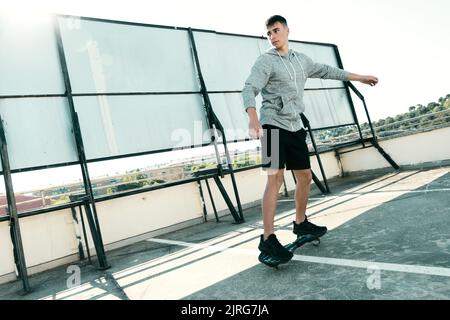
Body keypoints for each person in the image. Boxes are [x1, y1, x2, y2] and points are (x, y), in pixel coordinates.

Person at [242, 15, 378, 265]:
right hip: (271, 125)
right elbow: (249, 88)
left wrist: (360, 77)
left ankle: (301, 223)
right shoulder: (265, 61)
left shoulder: (301, 60)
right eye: (268, 33)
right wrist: (253, 118)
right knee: (275, 178)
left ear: (287, 31)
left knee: (304, 176)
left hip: (294, 126)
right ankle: (268, 238)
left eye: (276, 30)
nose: (272, 36)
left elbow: (329, 71)